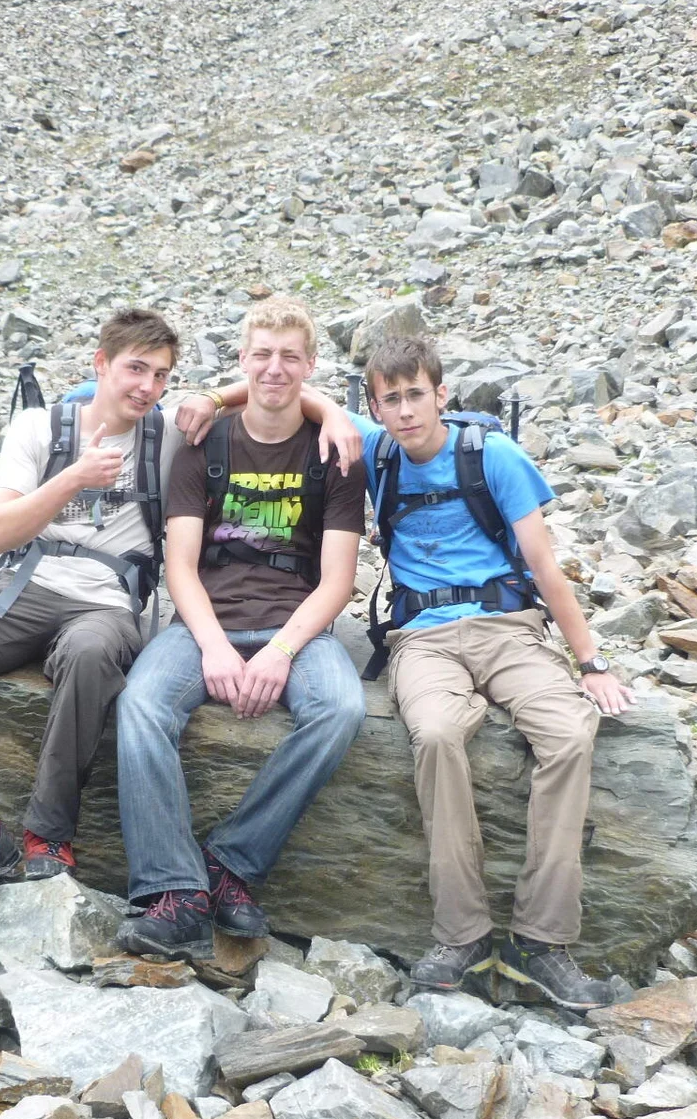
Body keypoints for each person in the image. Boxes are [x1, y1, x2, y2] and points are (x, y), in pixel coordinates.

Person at [359, 335, 635, 1010]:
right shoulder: (375, 451)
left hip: (508, 627)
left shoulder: (493, 455)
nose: (405, 411)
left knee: (569, 732)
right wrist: (214, 398)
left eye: (416, 395)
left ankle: (542, 941)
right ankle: (463, 935)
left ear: (441, 395)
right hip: (422, 638)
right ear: (374, 407)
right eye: (390, 400)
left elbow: (544, 566)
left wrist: (591, 663)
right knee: (435, 734)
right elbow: (290, 392)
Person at [0, 308, 183, 917]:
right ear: (100, 364)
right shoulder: (39, 427)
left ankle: (48, 832)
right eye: (136, 369)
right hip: (23, 585)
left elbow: (267, 394)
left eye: (161, 376)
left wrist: (217, 397)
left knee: (90, 653)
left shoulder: (169, 437)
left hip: (106, 599)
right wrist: (73, 478)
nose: (147, 387)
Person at [114, 296, 368, 959]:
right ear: (242, 360)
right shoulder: (204, 443)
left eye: (289, 357)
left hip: (296, 624)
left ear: (311, 364)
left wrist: (281, 651)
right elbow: (180, 566)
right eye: (262, 355)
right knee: (141, 705)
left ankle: (231, 862)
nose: (274, 369)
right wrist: (215, 648)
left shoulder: (336, 452)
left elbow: (337, 581)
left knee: (339, 709)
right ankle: (174, 891)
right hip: (208, 619)